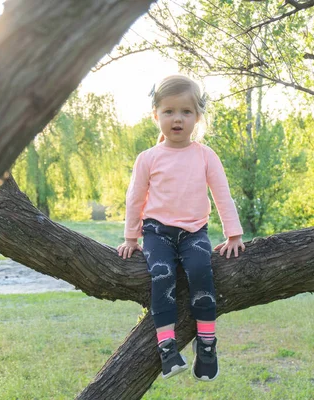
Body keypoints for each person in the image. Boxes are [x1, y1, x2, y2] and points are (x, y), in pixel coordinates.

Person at [117, 75, 245, 381]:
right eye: (169, 111)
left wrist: (234, 234)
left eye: (186, 112)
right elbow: (135, 198)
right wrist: (131, 237)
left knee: (201, 272)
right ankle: (167, 347)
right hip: (157, 233)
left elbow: (222, 194)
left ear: (198, 117)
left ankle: (207, 345)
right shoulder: (148, 158)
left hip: (194, 233)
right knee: (161, 276)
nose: (177, 119)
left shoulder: (205, 156)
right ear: (156, 115)